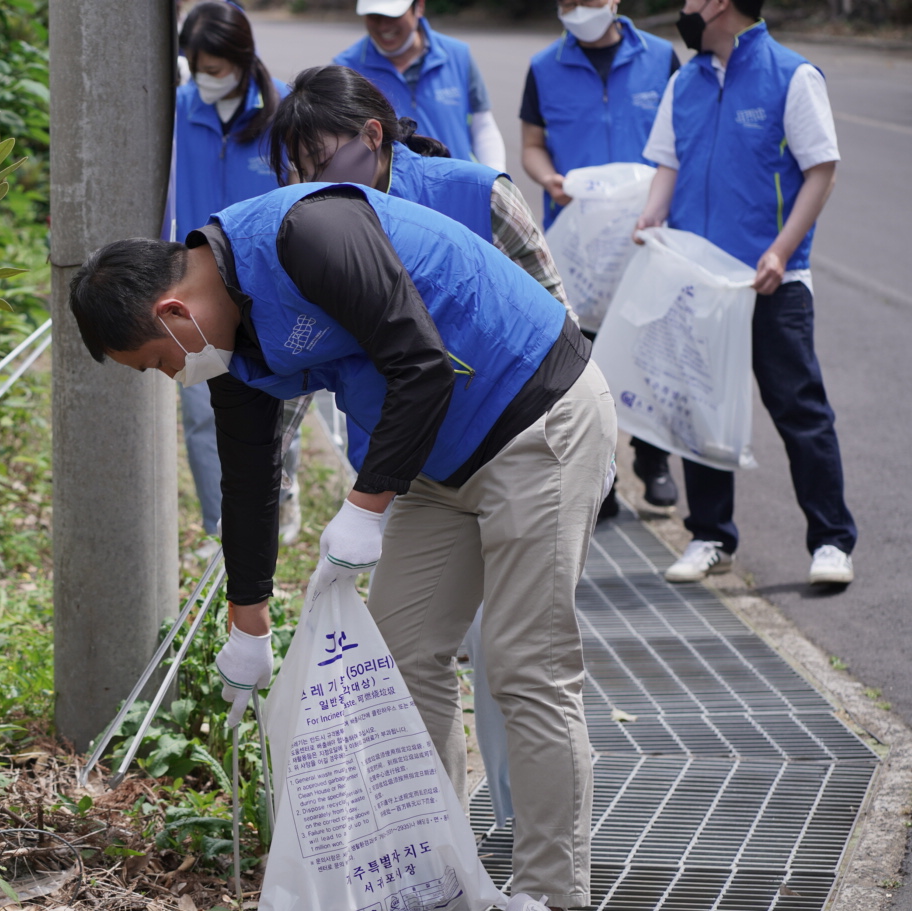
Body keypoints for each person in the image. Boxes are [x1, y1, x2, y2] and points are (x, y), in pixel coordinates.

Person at [68, 181, 616, 911]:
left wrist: (365, 506)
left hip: (536, 417)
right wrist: (246, 620)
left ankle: (545, 910)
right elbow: (251, 475)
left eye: (155, 362)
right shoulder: (237, 348)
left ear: (176, 315)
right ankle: (450, 888)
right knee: (395, 658)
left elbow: (421, 363)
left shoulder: (307, 234)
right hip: (439, 463)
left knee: (522, 663)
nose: (169, 376)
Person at [635, 0, 856, 585]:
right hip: (699, 282)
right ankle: (711, 535)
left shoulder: (792, 76)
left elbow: (821, 171)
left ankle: (831, 541)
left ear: (719, 4)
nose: (682, 8)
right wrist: (651, 216)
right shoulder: (685, 82)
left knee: (799, 410)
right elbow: (667, 163)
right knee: (700, 410)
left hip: (773, 281)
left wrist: (781, 250)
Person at [271, 64, 574, 482]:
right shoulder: (315, 234)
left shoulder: (483, 195)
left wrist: (581, 434)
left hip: (515, 447)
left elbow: (561, 324)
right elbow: (299, 352)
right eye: (300, 171)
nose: (311, 184)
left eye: (320, 163)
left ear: (372, 136)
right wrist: (262, 476)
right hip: (398, 466)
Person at [522, 0, 682, 518]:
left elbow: (685, 138)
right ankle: (602, 479)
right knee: (585, 364)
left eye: (587, 1)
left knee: (651, 345)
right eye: (567, 2)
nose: (576, 10)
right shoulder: (545, 67)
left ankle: (654, 458)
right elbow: (532, 144)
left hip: (646, 232)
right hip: (580, 243)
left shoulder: (661, 58)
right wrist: (548, 177)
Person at [169, 2, 302, 546]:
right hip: (197, 290)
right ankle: (218, 527)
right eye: (196, 66)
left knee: (275, 401)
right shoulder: (179, 106)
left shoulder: (285, 109)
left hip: (268, 288)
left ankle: (279, 500)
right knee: (202, 411)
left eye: (216, 68)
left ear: (243, 61)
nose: (205, 79)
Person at [331, 0, 506, 172]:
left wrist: (496, 176)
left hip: (459, 187)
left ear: (419, 7)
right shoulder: (346, 70)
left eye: (392, 16)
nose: (383, 26)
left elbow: (482, 125)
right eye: (374, 16)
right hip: (391, 197)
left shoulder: (457, 55)